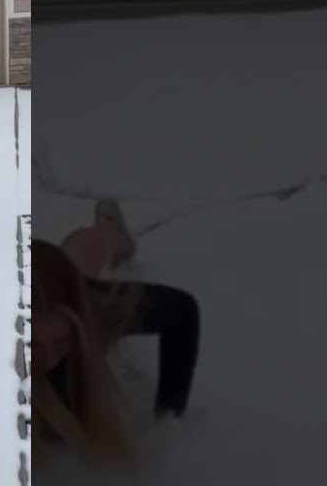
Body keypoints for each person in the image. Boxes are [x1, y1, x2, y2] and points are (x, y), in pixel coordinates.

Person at [35, 199, 201, 475]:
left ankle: (108, 229)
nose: (50, 359)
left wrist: (169, 412)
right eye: (34, 347)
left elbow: (182, 311)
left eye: (62, 341)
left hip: (76, 289)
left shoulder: (95, 309)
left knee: (73, 264)